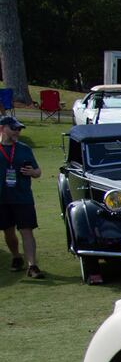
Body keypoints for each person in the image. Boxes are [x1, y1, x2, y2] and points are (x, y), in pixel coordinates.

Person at [0, 116, 43, 278]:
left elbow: (38, 172)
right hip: (2, 199)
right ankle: (16, 256)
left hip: (22, 197)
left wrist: (33, 173)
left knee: (27, 231)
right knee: (8, 232)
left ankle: (32, 265)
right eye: (14, 128)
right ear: (3, 128)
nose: (17, 132)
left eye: (19, 129)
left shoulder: (24, 149)